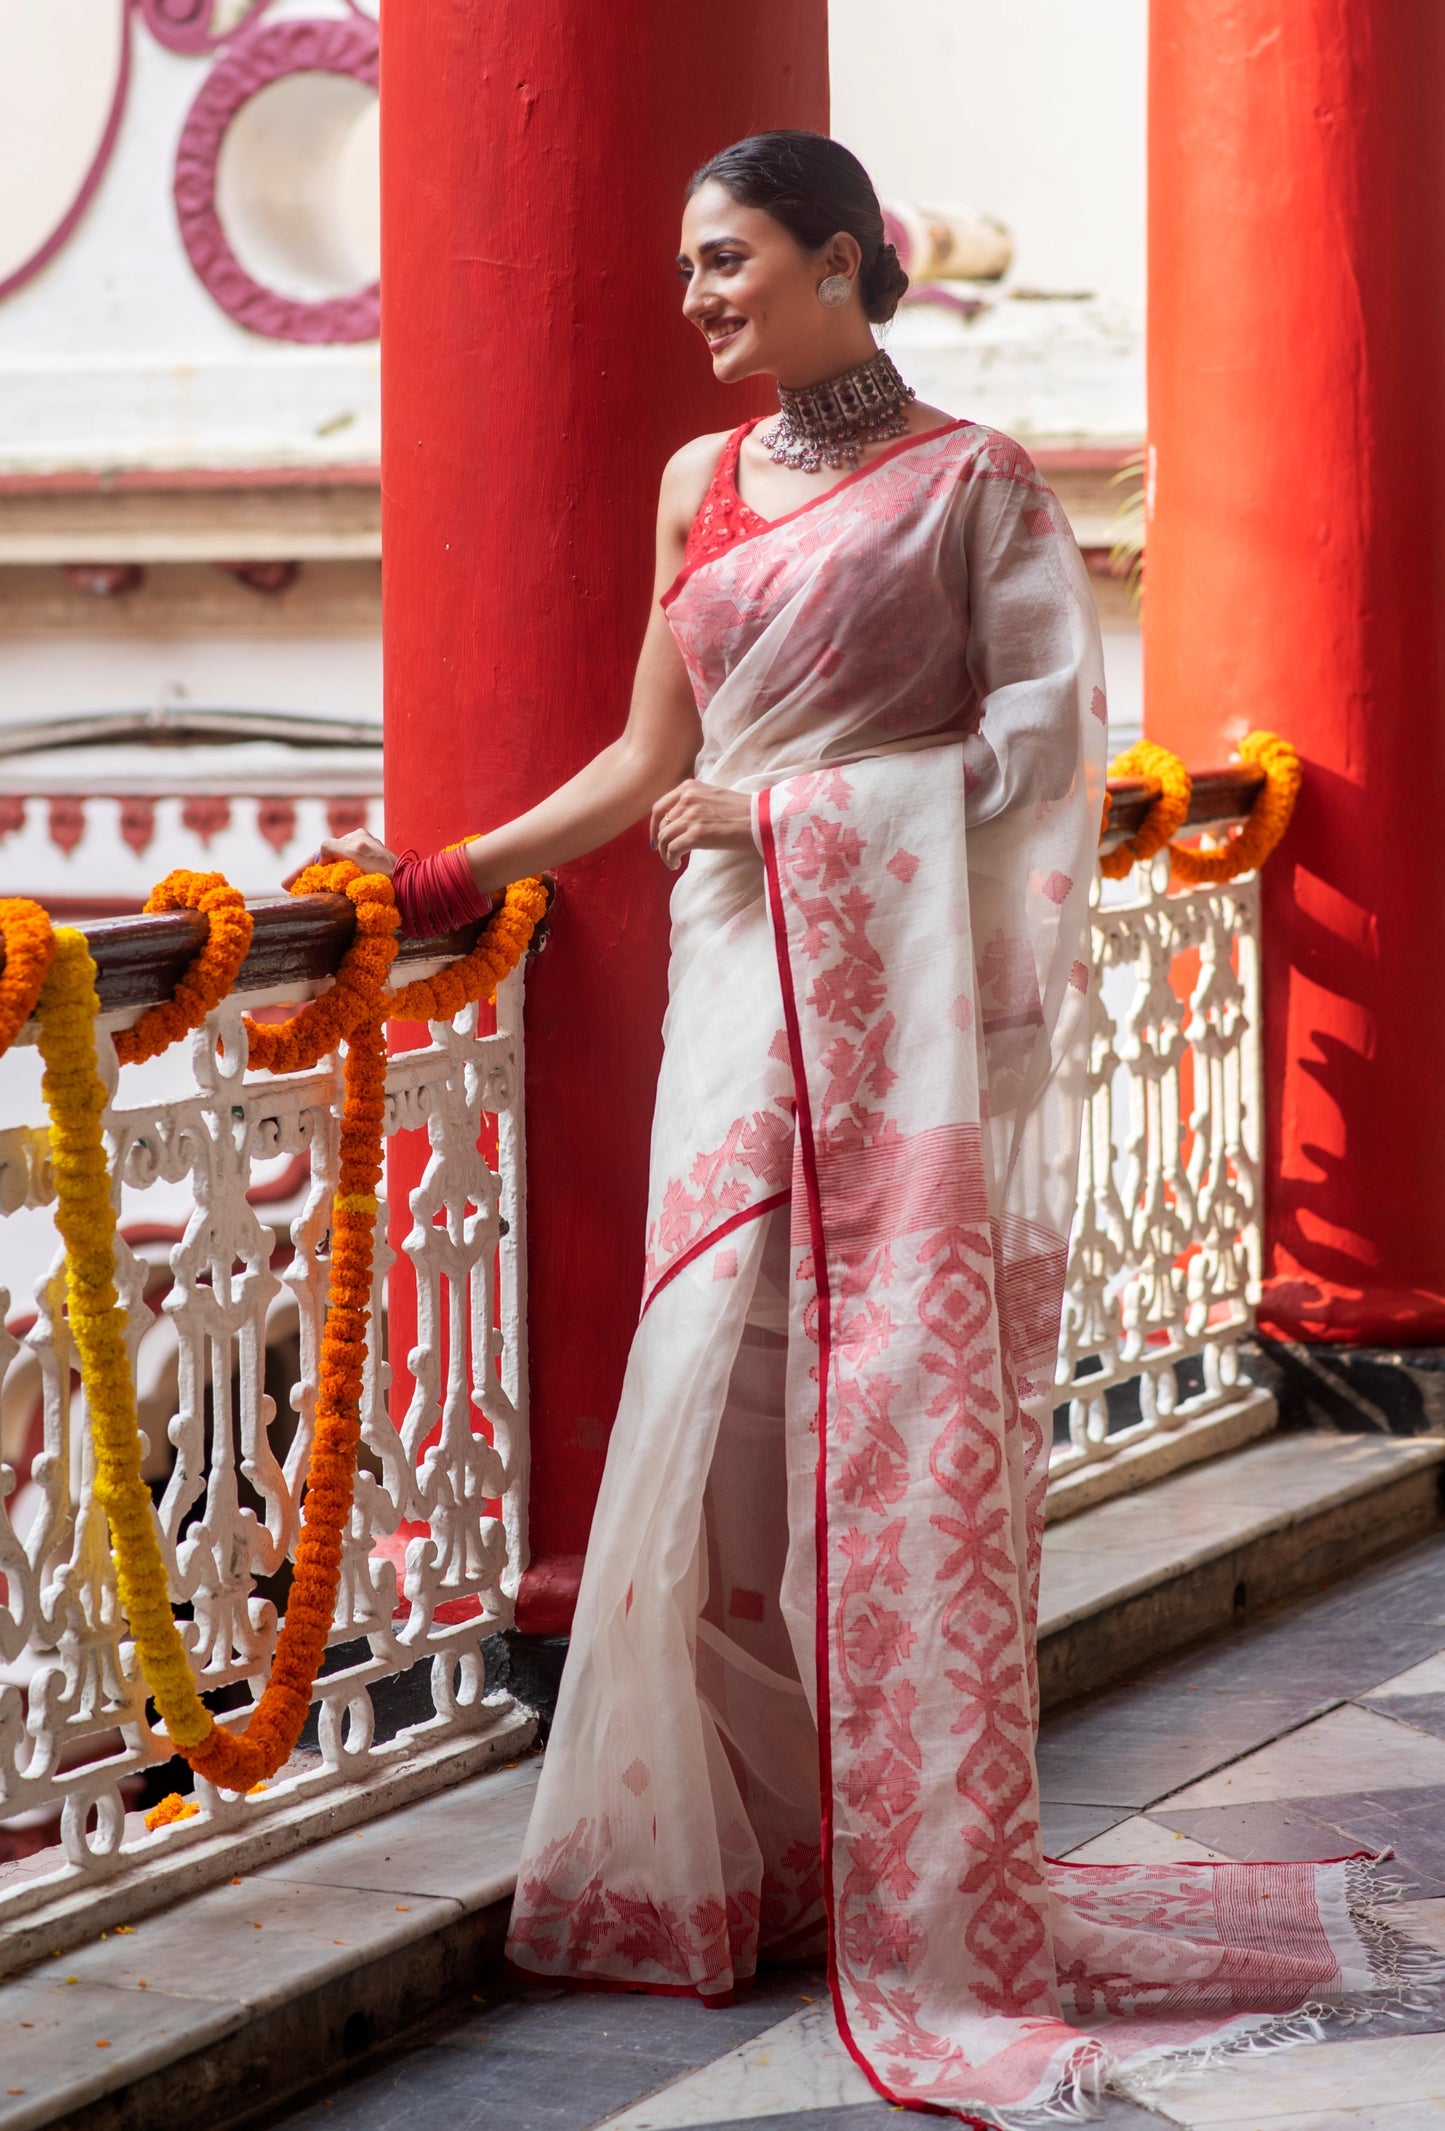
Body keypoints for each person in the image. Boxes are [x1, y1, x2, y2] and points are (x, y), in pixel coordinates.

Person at [305, 131, 1425, 2130]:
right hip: (739, 1006)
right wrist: (461, 866)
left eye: (726, 259)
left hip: (898, 1015)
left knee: (885, 1434)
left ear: (843, 260)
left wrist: (797, 818)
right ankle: (721, 1863)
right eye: (681, 267)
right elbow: (654, 755)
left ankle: (918, 1891)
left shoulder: (979, 482)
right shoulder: (700, 486)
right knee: (701, 1404)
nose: (695, 297)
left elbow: (1043, 754)